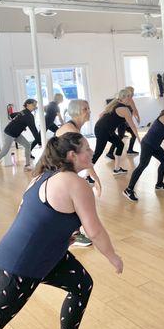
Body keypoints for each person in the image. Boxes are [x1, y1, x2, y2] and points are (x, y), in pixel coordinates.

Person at [0, 133, 123, 329]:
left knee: (81, 285)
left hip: (38, 256)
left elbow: (37, 217)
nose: (91, 152)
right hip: (19, 268)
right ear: (72, 155)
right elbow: (94, 231)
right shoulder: (76, 184)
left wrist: (60, 236)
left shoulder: (43, 176)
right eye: (86, 148)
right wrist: (113, 257)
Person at [56, 99, 102, 248]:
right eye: (85, 109)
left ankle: (72, 233)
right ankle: (73, 235)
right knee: (73, 201)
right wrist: (96, 178)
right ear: (76, 111)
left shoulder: (74, 128)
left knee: (72, 201)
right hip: (57, 171)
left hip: (63, 171)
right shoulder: (71, 130)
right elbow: (84, 157)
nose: (88, 111)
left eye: (88, 108)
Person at [123, 103, 164, 202]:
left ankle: (159, 184)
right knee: (142, 165)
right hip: (147, 144)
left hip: (154, 145)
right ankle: (128, 190)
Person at [0, 99, 39, 178]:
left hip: (16, 134)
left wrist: (20, 124)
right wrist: (39, 140)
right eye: (33, 105)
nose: (35, 107)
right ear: (28, 105)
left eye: (35, 105)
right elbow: (33, 129)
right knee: (3, 152)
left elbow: (12, 115)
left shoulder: (23, 112)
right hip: (9, 134)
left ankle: (27, 165)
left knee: (27, 145)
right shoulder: (28, 115)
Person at [93, 89, 140, 175]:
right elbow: (132, 126)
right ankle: (87, 175)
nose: (130, 99)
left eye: (131, 97)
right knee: (98, 152)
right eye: (128, 97)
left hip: (105, 129)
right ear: (122, 98)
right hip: (103, 130)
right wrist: (139, 140)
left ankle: (117, 169)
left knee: (120, 144)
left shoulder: (116, 104)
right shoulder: (124, 109)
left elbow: (101, 115)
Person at [107, 86, 140, 158]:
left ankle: (130, 150)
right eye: (131, 92)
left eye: (133, 92)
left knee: (131, 135)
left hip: (126, 123)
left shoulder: (130, 100)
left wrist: (138, 117)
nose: (133, 93)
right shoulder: (123, 100)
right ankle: (110, 153)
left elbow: (134, 110)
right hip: (121, 123)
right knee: (119, 138)